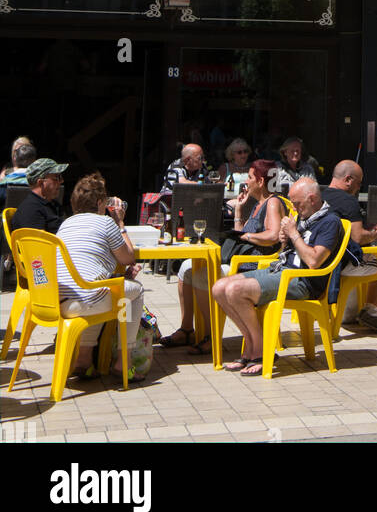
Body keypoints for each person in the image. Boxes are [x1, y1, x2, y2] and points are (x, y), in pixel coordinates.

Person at [212, 176, 342, 377]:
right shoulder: (304, 216)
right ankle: (252, 346)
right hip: (281, 270)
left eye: (297, 204)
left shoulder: (330, 222)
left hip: (302, 281)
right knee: (219, 288)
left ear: (313, 199)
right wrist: (285, 240)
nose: (295, 209)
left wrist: (294, 234)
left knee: (235, 290)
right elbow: (288, 252)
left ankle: (261, 350)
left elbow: (314, 261)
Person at [159, 158, 284, 354]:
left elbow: (273, 235)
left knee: (201, 274)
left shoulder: (272, 203)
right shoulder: (258, 203)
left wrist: (247, 235)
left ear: (260, 182)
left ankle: (211, 335)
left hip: (253, 265)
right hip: (241, 258)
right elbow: (241, 235)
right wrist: (239, 211)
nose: (246, 182)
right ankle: (187, 329)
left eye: (250, 177)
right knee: (187, 268)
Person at [56, 172, 145, 380]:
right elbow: (127, 257)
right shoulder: (106, 223)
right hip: (85, 299)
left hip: (59, 300)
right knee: (135, 291)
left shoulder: (65, 224)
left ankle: (84, 360)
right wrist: (120, 223)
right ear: (99, 203)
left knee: (99, 287)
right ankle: (125, 362)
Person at [322, 159, 377, 334]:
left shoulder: (321, 197)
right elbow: (358, 237)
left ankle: (369, 308)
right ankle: (372, 313)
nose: (358, 188)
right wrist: (376, 234)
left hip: (324, 261)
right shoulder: (348, 201)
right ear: (348, 179)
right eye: (358, 183)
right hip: (346, 262)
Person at [5, 157, 67, 233]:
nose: (61, 181)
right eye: (57, 178)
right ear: (41, 183)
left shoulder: (54, 205)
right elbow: (36, 243)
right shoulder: (30, 211)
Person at [0, 140, 40, 209]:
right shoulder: (40, 184)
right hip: (33, 218)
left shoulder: (4, 183)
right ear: (34, 161)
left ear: (15, 159)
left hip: (10, 218)